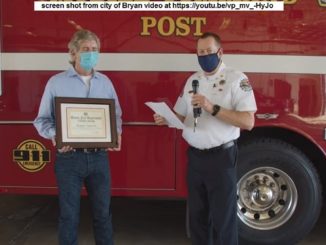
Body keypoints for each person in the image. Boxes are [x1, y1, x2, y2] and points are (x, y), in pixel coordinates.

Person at [154, 32, 257, 245]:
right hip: (195, 158)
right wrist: (166, 118)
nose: (204, 56)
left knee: (223, 219)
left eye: (208, 52)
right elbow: (180, 115)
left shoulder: (237, 79)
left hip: (221, 158)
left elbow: (248, 121)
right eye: (200, 52)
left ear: (220, 52)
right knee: (198, 219)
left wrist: (212, 107)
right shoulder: (193, 80)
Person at [34, 29, 122, 245]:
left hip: (99, 158)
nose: (90, 54)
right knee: (69, 216)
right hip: (69, 159)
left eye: (94, 50)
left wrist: (116, 133)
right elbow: (42, 120)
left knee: (103, 215)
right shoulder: (56, 82)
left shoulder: (105, 82)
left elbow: (116, 115)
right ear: (73, 53)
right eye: (85, 49)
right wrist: (58, 136)